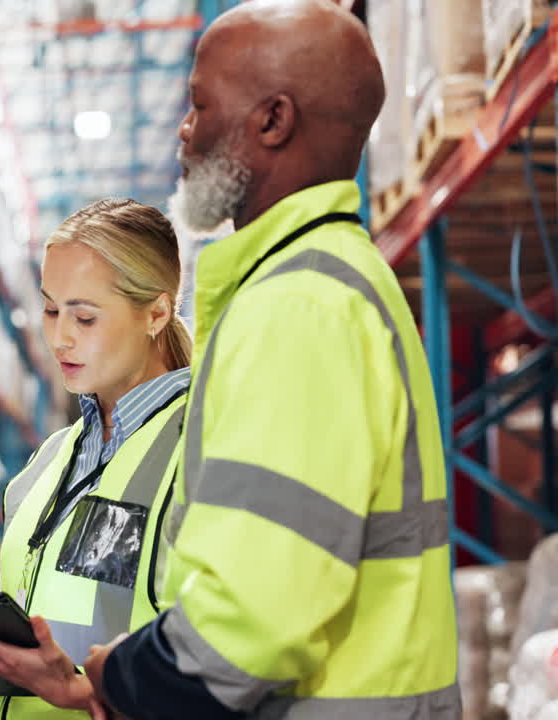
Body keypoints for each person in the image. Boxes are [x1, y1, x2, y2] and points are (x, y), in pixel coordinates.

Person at [80, 2, 461, 718]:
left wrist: (122, 675)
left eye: (199, 105)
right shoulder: (328, 283)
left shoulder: (300, 307)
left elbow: (250, 623)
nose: (184, 131)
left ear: (272, 121)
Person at [0, 199, 191, 719]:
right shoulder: (48, 462)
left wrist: (80, 689)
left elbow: (231, 654)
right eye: (51, 310)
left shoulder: (203, 448)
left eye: (85, 317)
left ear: (156, 313)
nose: (59, 338)